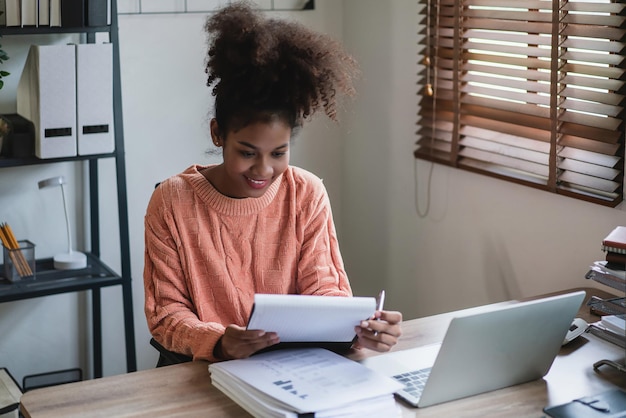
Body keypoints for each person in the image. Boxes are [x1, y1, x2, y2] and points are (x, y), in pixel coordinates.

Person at [144, 1, 402, 362]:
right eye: (248, 152)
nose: (263, 170)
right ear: (218, 134)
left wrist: (359, 329)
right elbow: (166, 315)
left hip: (290, 367)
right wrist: (219, 342)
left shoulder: (307, 193)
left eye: (278, 153)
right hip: (200, 371)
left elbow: (325, 290)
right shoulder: (172, 202)